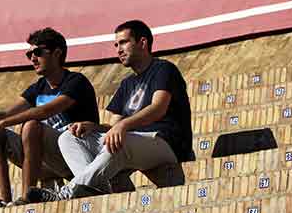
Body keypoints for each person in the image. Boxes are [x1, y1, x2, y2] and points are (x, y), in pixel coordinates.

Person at [27, 20, 194, 203]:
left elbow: (158, 108)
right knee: (68, 137)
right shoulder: (127, 83)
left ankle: (68, 191)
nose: (118, 49)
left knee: (119, 142)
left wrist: (123, 125)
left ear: (143, 43)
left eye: (123, 42)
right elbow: (113, 127)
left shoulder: (164, 69)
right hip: (133, 141)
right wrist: (93, 127)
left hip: (166, 143)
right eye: (116, 45)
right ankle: (96, 190)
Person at [0, 27, 100, 209]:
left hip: (72, 157)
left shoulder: (76, 82)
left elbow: (45, 111)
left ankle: (27, 196)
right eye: (29, 55)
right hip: (41, 160)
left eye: (37, 52)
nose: (33, 59)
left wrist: (2, 123)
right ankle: (3, 199)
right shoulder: (38, 87)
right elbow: (6, 113)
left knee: (31, 126)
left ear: (57, 53)